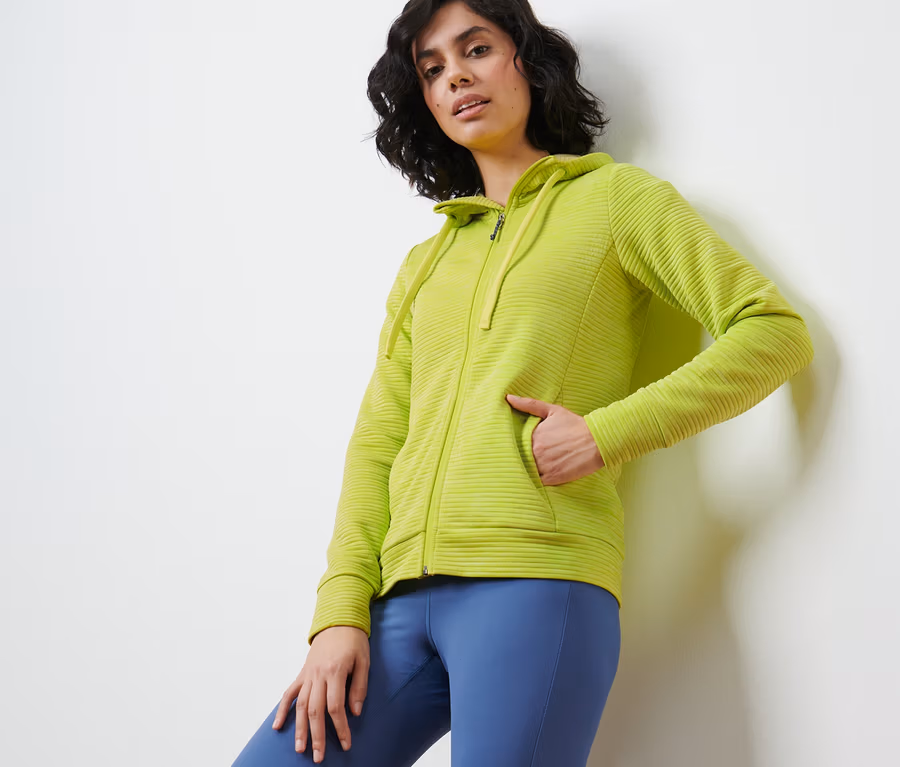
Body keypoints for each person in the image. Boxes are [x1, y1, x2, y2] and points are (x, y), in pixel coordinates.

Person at [231, 0, 815, 765]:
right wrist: (339, 610)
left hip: (538, 583)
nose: (455, 77)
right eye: (432, 68)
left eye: (475, 48)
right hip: (397, 603)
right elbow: (379, 439)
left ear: (527, 61)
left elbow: (773, 332)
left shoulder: (619, 201)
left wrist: (604, 433)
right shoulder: (428, 262)